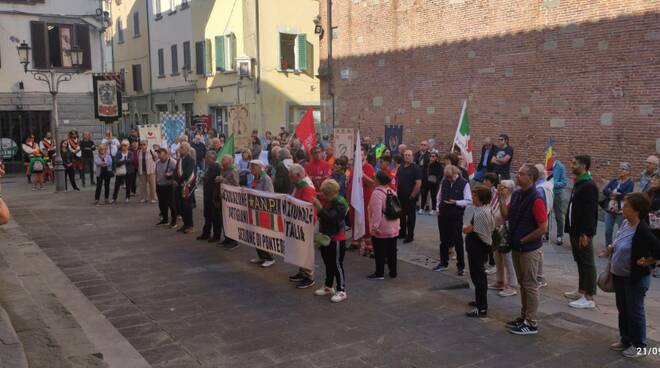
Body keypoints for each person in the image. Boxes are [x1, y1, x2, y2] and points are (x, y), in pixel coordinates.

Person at [600, 193, 660, 358]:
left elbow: (657, 249)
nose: (622, 208)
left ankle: (639, 345)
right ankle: (625, 339)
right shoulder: (626, 223)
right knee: (623, 309)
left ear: (636, 211)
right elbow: (620, 241)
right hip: (619, 275)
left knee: (635, 311)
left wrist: (648, 261)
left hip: (635, 277)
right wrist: (611, 248)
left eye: (626, 206)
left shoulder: (643, 230)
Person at [498, 164, 547, 335]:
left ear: (531, 178)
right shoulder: (518, 194)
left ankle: (531, 322)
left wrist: (523, 239)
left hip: (529, 249)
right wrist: (502, 199)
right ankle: (524, 317)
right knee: (523, 284)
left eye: (521, 174)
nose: (517, 176)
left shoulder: (537, 198)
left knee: (530, 285)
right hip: (517, 246)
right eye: (518, 173)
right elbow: (506, 216)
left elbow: (543, 228)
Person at [564, 155, 599, 309]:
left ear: (584, 166)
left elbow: (591, 212)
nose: (571, 165)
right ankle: (581, 290)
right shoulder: (579, 183)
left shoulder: (589, 185)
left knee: (587, 262)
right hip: (575, 229)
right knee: (579, 260)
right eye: (572, 162)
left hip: (583, 232)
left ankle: (589, 297)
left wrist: (587, 233)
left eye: (574, 163)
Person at [312, 179, 349, 302]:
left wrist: (319, 207)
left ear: (332, 193)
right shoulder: (330, 200)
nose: (324, 196)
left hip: (337, 238)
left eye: (325, 194)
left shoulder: (340, 203)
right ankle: (328, 286)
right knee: (328, 262)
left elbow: (331, 218)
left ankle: (341, 290)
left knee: (337, 264)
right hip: (327, 236)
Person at [434, 165, 472, 275]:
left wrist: (456, 202)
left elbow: (469, 201)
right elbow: (439, 196)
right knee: (443, 240)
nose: (448, 179)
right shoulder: (444, 181)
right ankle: (443, 262)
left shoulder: (464, 183)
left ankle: (461, 266)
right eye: (446, 177)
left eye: (450, 177)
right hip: (443, 215)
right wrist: (437, 208)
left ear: (455, 173)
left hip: (456, 216)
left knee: (457, 240)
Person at [464, 184, 495, 318]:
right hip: (476, 246)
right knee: (477, 275)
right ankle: (479, 301)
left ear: (481, 198)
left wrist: (467, 229)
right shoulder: (481, 209)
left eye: (475, 195)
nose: (472, 197)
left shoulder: (482, 212)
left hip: (478, 247)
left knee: (478, 276)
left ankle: (481, 307)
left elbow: (474, 230)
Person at [487, 177, 519, 297]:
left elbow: (506, 216)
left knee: (508, 259)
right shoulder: (499, 199)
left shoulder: (511, 201)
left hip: (506, 234)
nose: (500, 189)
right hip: (496, 233)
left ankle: (512, 285)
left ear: (510, 189)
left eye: (503, 187)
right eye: (500, 187)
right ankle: (500, 281)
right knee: (497, 258)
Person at [287, 163, 317, 289]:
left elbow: (305, 206)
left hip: (307, 223)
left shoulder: (307, 187)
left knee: (306, 249)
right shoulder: (299, 185)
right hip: (300, 222)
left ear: (298, 176)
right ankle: (302, 271)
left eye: (292, 178)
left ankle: (309, 276)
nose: (291, 181)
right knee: (300, 247)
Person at [367, 171, 400, 280]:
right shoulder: (392, 191)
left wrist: (374, 227)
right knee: (392, 251)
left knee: (380, 251)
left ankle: (379, 273)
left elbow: (377, 213)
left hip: (382, 227)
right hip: (393, 226)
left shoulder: (377, 193)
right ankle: (393, 272)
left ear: (378, 180)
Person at [247, 160, 277, 267]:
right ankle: (261, 256)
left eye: (253, 167)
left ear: (260, 168)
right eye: (251, 167)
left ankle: (269, 257)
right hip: (255, 209)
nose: (251, 169)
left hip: (263, 211)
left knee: (263, 234)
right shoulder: (255, 178)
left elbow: (270, 194)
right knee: (256, 234)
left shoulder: (266, 179)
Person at [603, 163, 635, 247]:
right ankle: (608, 248)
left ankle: (617, 247)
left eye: (623, 169)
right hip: (609, 209)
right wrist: (613, 193)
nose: (620, 170)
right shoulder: (614, 181)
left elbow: (626, 195)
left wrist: (614, 193)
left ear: (628, 172)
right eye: (620, 168)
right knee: (607, 231)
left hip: (621, 211)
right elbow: (605, 190)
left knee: (620, 231)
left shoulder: (630, 183)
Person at [396, 149, 422, 243]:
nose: (407, 156)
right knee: (401, 216)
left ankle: (410, 236)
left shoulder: (416, 168)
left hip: (410, 198)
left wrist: (412, 196)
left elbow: (418, 184)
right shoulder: (401, 167)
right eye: (405, 155)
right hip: (400, 197)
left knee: (410, 218)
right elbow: (397, 181)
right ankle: (402, 233)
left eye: (409, 155)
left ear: (412, 157)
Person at [215, 154, 240, 248]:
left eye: (224, 160)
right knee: (224, 219)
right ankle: (227, 238)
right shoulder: (222, 170)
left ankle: (233, 241)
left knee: (230, 220)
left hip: (230, 200)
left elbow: (236, 185)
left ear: (229, 161)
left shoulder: (234, 171)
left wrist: (223, 180)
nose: (222, 161)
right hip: (222, 197)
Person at [198, 151, 222, 242]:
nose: (206, 159)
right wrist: (204, 178)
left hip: (213, 195)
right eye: (206, 157)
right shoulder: (209, 167)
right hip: (207, 195)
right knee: (207, 215)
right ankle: (206, 233)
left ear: (213, 158)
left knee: (215, 217)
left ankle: (216, 235)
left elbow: (216, 181)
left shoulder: (216, 167)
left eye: (208, 158)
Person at [173, 142, 196, 233]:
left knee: (187, 207)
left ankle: (190, 225)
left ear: (187, 149)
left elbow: (187, 173)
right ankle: (185, 224)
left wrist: (178, 181)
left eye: (181, 148)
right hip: (179, 185)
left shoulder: (190, 160)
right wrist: (174, 179)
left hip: (187, 186)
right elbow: (176, 171)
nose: (179, 149)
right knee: (181, 206)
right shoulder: (179, 160)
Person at [155, 148, 177, 226]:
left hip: (168, 186)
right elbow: (156, 173)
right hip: (159, 185)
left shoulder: (172, 162)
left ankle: (174, 221)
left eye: (160, 153)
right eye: (158, 153)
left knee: (171, 204)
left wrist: (170, 174)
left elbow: (178, 172)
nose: (159, 155)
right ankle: (165, 219)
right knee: (162, 204)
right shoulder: (157, 162)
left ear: (166, 154)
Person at [550, 157, 568, 245]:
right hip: (548, 192)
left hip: (557, 194)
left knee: (558, 215)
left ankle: (559, 236)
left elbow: (564, 182)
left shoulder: (560, 167)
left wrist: (553, 184)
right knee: (546, 214)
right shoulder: (547, 165)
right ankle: (546, 233)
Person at [646, 174, 660, 277]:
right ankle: (651, 264)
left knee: (656, 243)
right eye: (652, 179)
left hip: (657, 223)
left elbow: (655, 205)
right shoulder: (650, 191)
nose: (653, 181)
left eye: (656, 180)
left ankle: (655, 265)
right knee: (651, 243)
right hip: (649, 222)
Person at [415, 141, 431, 214]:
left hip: (425, 175)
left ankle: (426, 205)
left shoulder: (429, 155)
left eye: (424, 145)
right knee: (417, 189)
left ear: (427, 146)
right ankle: (417, 204)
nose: (423, 146)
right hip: (418, 174)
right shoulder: (417, 154)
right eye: (421, 144)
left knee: (425, 191)